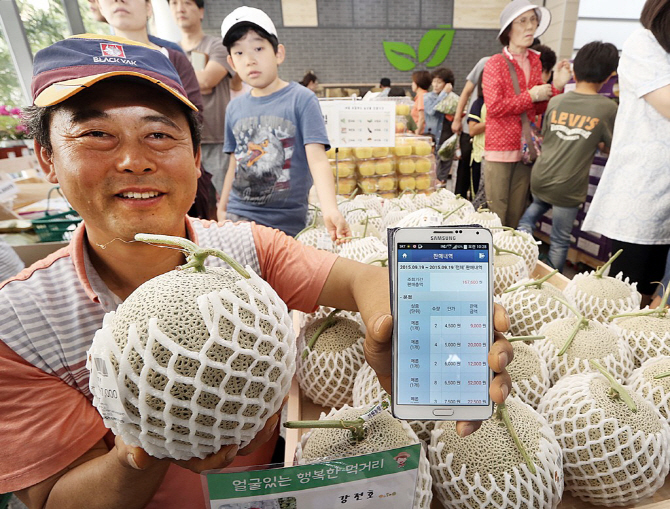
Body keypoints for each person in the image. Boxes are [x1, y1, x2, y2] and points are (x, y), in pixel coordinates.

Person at [0, 34, 513, 508]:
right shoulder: (17, 324)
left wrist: (397, 321)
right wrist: (153, 443)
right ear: (47, 158)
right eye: (96, 134)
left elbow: (364, 279)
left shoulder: (245, 249)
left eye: (159, 134)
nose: (134, 160)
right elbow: (53, 500)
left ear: (197, 157)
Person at [217, 7, 349, 240]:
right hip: (238, 218)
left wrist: (330, 209)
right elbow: (233, 164)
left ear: (278, 53)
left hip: (285, 223)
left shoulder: (301, 99)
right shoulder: (234, 108)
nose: (249, 60)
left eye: (258, 48)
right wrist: (222, 208)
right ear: (231, 62)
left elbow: (317, 160)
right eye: (239, 53)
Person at [582, 0, 670, 307]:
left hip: (662, 199)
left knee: (650, 295)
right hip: (642, 195)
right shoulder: (643, 43)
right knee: (626, 297)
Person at [95, 0, 216, 220]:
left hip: (171, 171)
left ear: (149, 7)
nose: (119, 1)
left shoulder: (173, 58)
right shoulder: (90, 63)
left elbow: (194, 118)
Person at [517, 41, 619, 272]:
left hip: (541, 176)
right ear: (609, 75)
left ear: (575, 70)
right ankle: (551, 285)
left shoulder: (556, 100)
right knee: (560, 240)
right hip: (569, 185)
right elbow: (610, 148)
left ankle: (520, 263)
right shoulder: (607, 108)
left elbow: (548, 136)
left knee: (527, 219)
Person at [482, 0, 572, 228]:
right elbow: (494, 108)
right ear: (508, 30)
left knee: (516, 214)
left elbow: (538, 109)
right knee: (496, 214)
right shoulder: (495, 64)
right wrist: (530, 96)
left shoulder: (536, 60)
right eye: (522, 21)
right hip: (499, 150)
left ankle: (511, 259)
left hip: (526, 150)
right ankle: (494, 261)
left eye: (533, 20)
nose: (529, 26)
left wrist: (557, 87)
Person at [169, 0, 242, 194]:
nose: (180, 8)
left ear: (201, 11)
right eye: (174, 3)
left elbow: (207, 81)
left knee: (222, 199)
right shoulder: (169, 51)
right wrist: (196, 80)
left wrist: (178, 82)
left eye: (187, 3)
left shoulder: (217, 45)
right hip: (182, 139)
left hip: (217, 138)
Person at [451, 56, 490, 194]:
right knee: (464, 172)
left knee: (481, 178)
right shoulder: (486, 62)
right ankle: (459, 205)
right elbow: (466, 91)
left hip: (490, 137)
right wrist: (457, 118)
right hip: (471, 129)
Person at [423, 67, 457, 182]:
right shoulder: (427, 97)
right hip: (434, 138)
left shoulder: (452, 98)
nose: (436, 85)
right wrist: (443, 94)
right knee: (433, 171)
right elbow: (432, 110)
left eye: (439, 82)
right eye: (434, 82)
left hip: (448, 138)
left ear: (447, 84)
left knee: (444, 173)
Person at [410, 70, 431, 135]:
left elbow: (422, 118)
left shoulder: (421, 96)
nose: (412, 84)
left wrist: (417, 134)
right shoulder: (423, 95)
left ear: (418, 83)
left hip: (421, 133)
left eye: (413, 82)